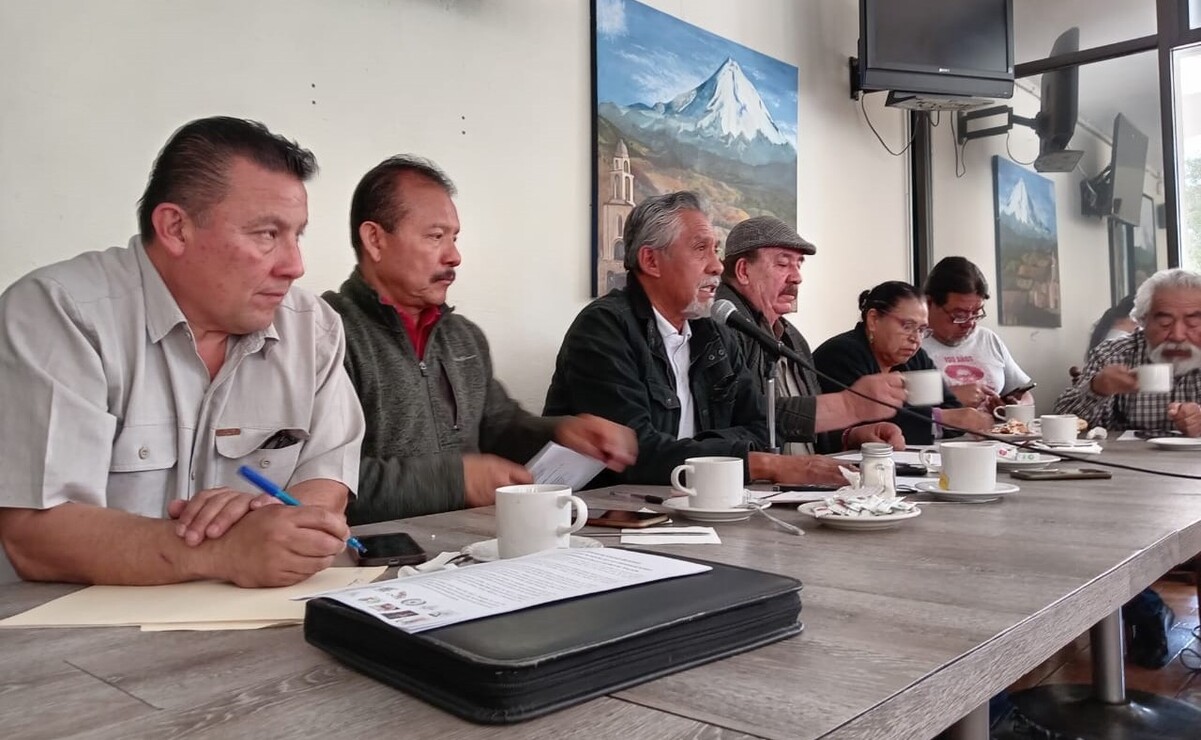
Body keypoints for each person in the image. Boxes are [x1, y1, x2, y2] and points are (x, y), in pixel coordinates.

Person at [0, 117, 365, 587]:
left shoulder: (310, 327)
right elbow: (36, 536)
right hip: (73, 639)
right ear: (175, 228)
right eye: (267, 234)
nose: (295, 265)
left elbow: (326, 479)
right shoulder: (61, 312)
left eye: (298, 235)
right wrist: (225, 549)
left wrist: (273, 520)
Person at [324, 155, 636, 524]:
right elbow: (318, 484)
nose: (454, 256)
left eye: (454, 238)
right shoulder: (326, 337)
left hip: (476, 548)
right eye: (435, 237)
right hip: (375, 562)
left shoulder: (462, 338)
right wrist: (456, 480)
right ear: (375, 239)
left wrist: (563, 432)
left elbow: (498, 426)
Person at [544, 191, 848, 488]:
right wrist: (756, 462)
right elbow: (635, 454)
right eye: (701, 249)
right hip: (607, 514)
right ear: (651, 261)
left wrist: (689, 452)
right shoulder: (605, 328)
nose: (717, 266)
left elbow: (761, 428)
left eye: (715, 250)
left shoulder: (712, 332)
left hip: (700, 503)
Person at [716, 216, 906, 453]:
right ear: (743, 271)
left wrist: (850, 436)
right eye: (783, 264)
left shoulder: (793, 337)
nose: (797, 277)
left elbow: (806, 435)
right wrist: (848, 406)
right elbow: (743, 417)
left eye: (799, 264)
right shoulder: (719, 331)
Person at [812, 281, 993, 445]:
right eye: (907, 326)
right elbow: (868, 424)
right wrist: (941, 419)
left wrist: (947, 419)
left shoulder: (915, 357)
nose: (915, 338)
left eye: (922, 330)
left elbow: (952, 408)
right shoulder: (842, 354)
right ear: (873, 320)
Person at [1054, 268, 1201, 435]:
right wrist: (1096, 389)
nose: (1178, 335)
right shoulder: (1114, 353)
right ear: (1143, 321)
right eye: (1164, 323)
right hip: (1127, 459)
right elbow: (1062, 420)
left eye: (1193, 323)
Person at [921, 257, 1034, 411]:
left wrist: (1015, 407)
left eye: (976, 313)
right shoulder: (911, 344)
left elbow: (1024, 395)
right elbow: (899, 411)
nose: (970, 324)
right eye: (959, 315)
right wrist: (949, 396)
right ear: (928, 304)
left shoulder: (987, 338)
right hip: (948, 435)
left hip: (997, 433)